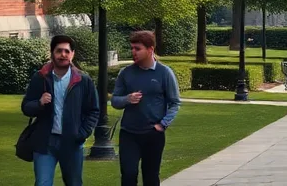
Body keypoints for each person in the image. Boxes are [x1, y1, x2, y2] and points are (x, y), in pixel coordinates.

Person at [20, 34, 100, 186]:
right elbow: (26, 107)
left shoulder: (83, 80)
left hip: (72, 143)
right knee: (42, 183)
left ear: (72, 54)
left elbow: (93, 110)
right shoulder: (40, 77)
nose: (63, 55)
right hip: (45, 142)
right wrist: (39, 103)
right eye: (59, 51)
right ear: (52, 53)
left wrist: (82, 133)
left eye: (66, 51)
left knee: (74, 183)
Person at [111, 30, 181, 186]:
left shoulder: (164, 73)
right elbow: (115, 100)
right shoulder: (126, 73)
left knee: (150, 176)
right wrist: (127, 99)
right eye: (132, 48)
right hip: (129, 133)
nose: (133, 52)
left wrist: (162, 124)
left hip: (153, 134)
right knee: (128, 174)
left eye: (137, 48)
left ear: (150, 49)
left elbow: (175, 102)